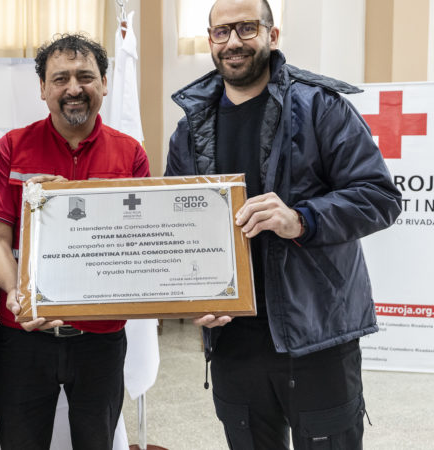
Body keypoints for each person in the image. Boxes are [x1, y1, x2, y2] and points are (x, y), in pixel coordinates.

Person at [166, 0, 402, 448]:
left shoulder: (322, 108)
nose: (233, 41)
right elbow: (180, 230)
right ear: (210, 41)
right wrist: (190, 296)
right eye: (222, 32)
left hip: (316, 335)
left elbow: (380, 197)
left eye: (246, 28)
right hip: (233, 341)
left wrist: (302, 219)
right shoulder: (189, 129)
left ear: (272, 37)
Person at [0, 34, 150, 449]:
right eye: (60, 79)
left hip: (101, 341)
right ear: (42, 89)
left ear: (105, 83)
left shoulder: (130, 154)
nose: (73, 88)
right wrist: (18, 293)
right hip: (23, 336)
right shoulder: (12, 148)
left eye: (85, 76)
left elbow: (143, 244)